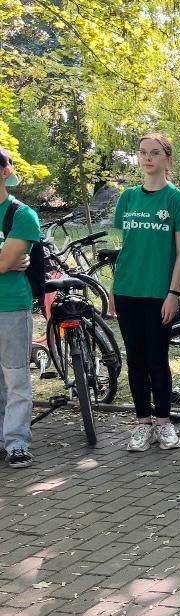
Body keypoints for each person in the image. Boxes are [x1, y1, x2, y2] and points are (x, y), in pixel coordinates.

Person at [111, 133, 180, 453]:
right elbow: (126, 247)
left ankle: (164, 422)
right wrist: (114, 287)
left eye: (155, 153)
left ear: (167, 159)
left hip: (159, 292)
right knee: (135, 359)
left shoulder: (176, 199)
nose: (147, 158)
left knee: (157, 358)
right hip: (127, 289)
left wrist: (173, 292)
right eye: (143, 152)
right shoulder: (128, 197)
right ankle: (143, 421)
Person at [0, 146, 38, 468]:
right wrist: (5, 260)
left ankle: (16, 443)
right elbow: (4, 261)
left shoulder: (21, 214)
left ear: (4, 172)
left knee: (15, 378)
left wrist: (7, 261)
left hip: (11, 307)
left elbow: (6, 262)